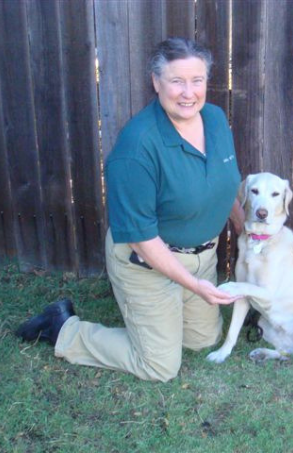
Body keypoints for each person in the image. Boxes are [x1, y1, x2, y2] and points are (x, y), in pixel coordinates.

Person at [16, 37, 244, 382]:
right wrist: (194, 285)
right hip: (147, 262)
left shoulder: (214, 118)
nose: (188, 92)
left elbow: (224, 185)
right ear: (156, 82)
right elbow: (141, 240)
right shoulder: (137, 146)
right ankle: (61, 327)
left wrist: (250, 237)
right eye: (176, 81)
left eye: (197, 81)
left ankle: (169, 314)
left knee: (203, 341)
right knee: (160, 365)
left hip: (203, 256)